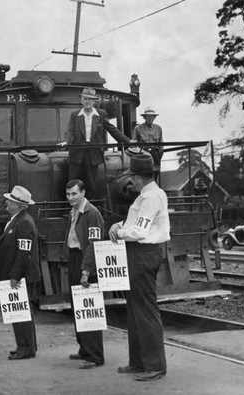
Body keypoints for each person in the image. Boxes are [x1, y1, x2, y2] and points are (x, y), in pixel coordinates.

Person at [108, 154, 169, 381]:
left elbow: (140, 232)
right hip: (139, 253)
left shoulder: (150, 198)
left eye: (131, 177)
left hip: (143, 253)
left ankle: (154, 365)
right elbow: (137, 223)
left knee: (144, 310)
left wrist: (120, 232)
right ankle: (138, 361)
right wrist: (119, 224)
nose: (130, 182)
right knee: (134, 311)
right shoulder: (148, 195)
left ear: (139, 177)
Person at [0, 185, 41, 360]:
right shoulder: (17, 219)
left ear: (19, 205)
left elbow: (23, 252)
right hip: (15, 275)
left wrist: (14, 275)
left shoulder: (24, 222)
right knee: (18, 311)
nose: (6, 203)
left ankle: (26, 348)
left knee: (21, 312)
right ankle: (24, 345)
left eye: (10, 201)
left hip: (18, 276)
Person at [59, 87, 131, 198]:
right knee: (72, 184)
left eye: (90, 99)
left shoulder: (101, 114)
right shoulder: (75, 114)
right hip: (77, 153)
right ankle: (71, 209)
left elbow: (112, 129)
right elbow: (70, 130)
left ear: (94, 101)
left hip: (93, 154)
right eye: (85, 99)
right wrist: (65, 142)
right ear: (81, 100)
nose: (88, 101)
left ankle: (87, 208)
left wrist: (128, 141)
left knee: (91, 184)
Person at [63, 179, 105, 369]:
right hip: (74, 258)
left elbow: (93, 244)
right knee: (77, 306)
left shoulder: (92, 213)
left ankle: (95, 355)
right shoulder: (74, 211)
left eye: (74, 194)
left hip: (84, 261)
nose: (71, 198)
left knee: (88, 307)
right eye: (68, 194)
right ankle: (84, 349)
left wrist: (86, 271)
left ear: (83, 193)